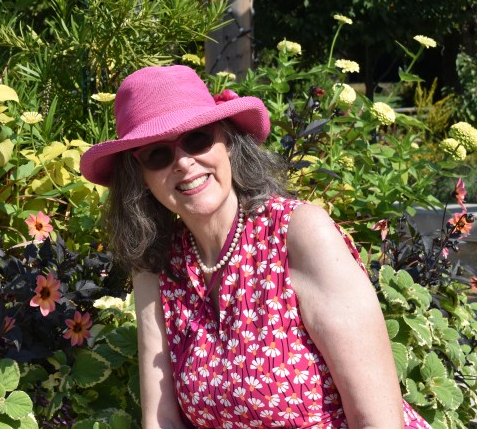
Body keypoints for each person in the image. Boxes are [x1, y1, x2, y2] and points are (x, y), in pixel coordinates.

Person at [79, 65, 430, 429]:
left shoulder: (299, 234)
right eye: (157, 155)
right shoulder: (157, 269)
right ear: (140, 177)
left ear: (227, 141)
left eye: (197, 138)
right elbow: (161, 420)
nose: (183, 162)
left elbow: (376, 419)